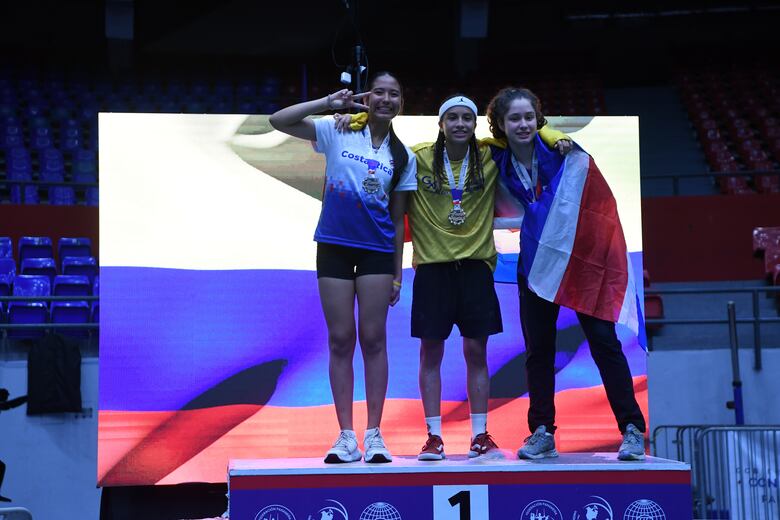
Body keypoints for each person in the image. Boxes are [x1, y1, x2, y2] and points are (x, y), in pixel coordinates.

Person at [337, 95, 568, 460]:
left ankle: (479, 435)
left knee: (476, 352)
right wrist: (356, 123)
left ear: (474, 124)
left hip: (476, 269)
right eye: (453, 118)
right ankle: (433, 436)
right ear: (441, 123)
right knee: (431, 353)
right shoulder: (418, 157)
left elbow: (529, 135)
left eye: (467, 118)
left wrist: (553, 134)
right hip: (432, 270)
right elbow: (381, 146)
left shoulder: (491, 155)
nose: (460, 124)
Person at [485, 87, 646, 461]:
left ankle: (632, 430)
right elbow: (459, 143)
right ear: (502, 125)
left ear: (538, 119)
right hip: (537, 268)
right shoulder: (498, 160)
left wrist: (555, 136)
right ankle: (542, 432)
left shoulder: (564, 153)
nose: (523, 124)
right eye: (514, 119)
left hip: (582, 263)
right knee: (538, 352)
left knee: (605, 344)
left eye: (529, 117)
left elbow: (599, 203)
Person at [269, 71, 417, 463]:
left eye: (394, 94)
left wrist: (398, 275)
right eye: (379, 92)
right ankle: (345, 436)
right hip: (334, 248)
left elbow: (399, 218)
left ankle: (374, 436)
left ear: (401, 103)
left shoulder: (403, 157)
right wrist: (327, 104)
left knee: (373, 339)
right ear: (366, 97)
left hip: (376, 254)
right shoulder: (338, 131)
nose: (385, 99)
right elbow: (278, 121)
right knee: (340, 340)